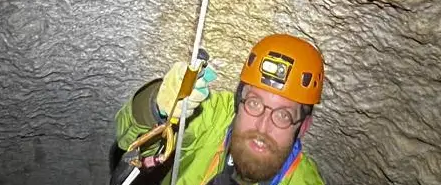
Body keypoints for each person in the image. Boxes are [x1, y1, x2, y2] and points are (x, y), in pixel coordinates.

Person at [114, 34, 326, 184]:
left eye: (283, 115)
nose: (263, 127)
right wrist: (157, 106)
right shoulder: (213, 120)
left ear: (304, 126)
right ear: (238, 101)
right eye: (254, 103)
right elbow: (126, 138)